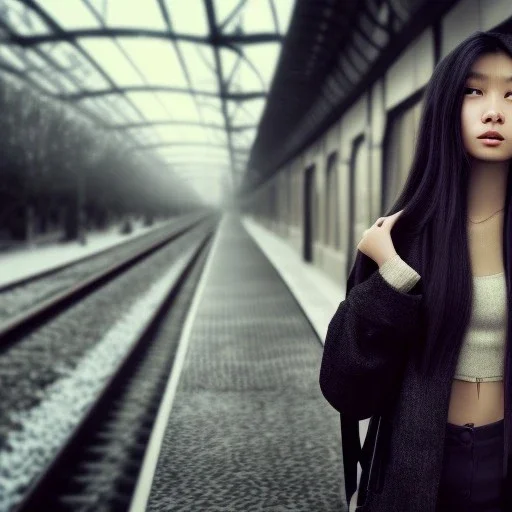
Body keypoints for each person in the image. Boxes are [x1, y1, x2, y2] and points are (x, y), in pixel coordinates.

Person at [319, 29, 512, 511]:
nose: (494, 110)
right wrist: (392, 277)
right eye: (475, 91)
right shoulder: (403, 236)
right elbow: (347, 389)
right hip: (417, 470)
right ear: (448, 106)